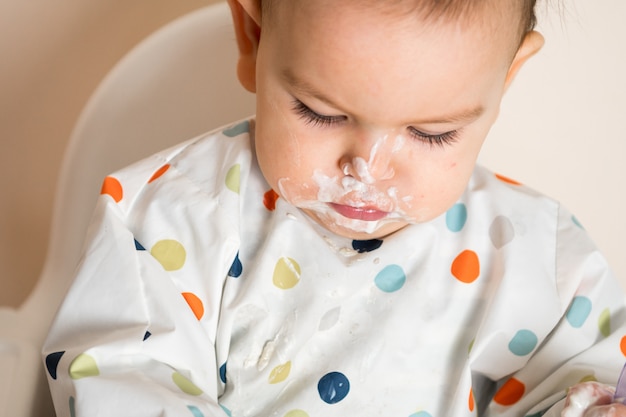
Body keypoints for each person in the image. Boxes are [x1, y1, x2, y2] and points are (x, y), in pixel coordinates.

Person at [42, 0, 626, 416]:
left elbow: (575, 379)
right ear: (252, 35)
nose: (366, 170)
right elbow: (120, 376)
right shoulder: (168, 219)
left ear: (506, 79)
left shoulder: (538, 259)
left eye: (431, 133)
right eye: (321, 114)